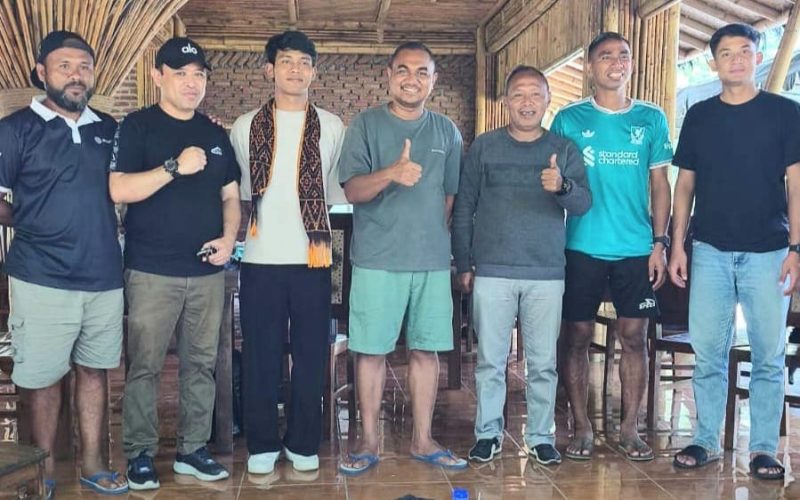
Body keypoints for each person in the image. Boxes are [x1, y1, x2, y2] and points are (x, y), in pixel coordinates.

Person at [0, 30, 128, 498]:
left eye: (84, 67)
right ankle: (43, 472)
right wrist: (32, 218)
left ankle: (94, 464)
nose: (76, 75)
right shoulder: (15, 130)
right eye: (65, 66)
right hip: (40, 275)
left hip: (103, 274)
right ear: (42, 72)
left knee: (95, 370)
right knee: (42, 378)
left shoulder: (109, 129)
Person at [109, 37, 241, 490]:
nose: (191, 82)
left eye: (198, 75)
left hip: (206, 271)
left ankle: (192, 449)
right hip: (151, 270)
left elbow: (230, 196)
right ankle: (140, 453)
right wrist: (173, 167)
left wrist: (229, 239)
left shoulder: (215, 134)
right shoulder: (137, 126)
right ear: (158, 76)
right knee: (144, 365)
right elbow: (119, 189)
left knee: (201, 364)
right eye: (181, 73)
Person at [670, 23, 800, 481]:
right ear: (714, 63)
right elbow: (684, 186)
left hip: (769, 251)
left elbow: (796, 185)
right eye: (726, 53)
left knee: (768, 355)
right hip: (709, 249)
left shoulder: (785, 113)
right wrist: (677, 245)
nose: (737, 59)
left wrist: (796, 247)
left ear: (758, 58)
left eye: (745, 51)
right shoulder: (700, 115)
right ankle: (705, 439)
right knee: (708, 352)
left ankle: (763, 449)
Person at [337, 41, 466, 475]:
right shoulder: (366, 125)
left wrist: (430, 238)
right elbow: (352, 190)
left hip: (431, 261)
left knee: (426, 351)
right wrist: (392, 173)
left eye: (422, 72)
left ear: (434, 80)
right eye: (404, 70)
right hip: (377, 260)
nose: (413, 79)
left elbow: (450, 198)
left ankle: (423, 439)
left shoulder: (447, 131)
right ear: (389, 75)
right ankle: (369, 441)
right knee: (371, 352)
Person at [452, 66, 591, 465]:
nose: (527, 103)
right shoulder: (485, 147)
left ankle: (541, 436)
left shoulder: (563, 149)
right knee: (489, 361)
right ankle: (487, 434)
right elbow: (464, 207)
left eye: (535, 95)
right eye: (518, 94)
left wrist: (562, 186)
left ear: (548, 100)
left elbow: (583, 203)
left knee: (543, 363)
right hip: (492, 271)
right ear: (506, 102)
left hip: (545, 273)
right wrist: (464, 262)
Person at [551, 31, 672, 461]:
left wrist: (659, 243)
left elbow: (661, 184)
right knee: (577, 336)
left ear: (632, 64)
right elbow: (553, 184)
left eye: (624, 55)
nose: (616, 62)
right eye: (606, 56)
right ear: (589, 67)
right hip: (580, 245)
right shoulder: (568, 119)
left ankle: (630, 429)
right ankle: (581, 427)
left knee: (634, 336)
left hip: (636, 248)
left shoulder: (651, 118)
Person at [230, 30, 346, 475]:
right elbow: (243, 194)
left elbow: (335, 192)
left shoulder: (332, 126)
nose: (296, 69)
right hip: (260, 258)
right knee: (260, 352)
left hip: (313, 258)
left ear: (314, 72)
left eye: (304, 62)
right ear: (269, 70)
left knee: (311, 352)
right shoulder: (245, 126)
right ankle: (261, 443)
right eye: (286, 61)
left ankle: (303, 441)